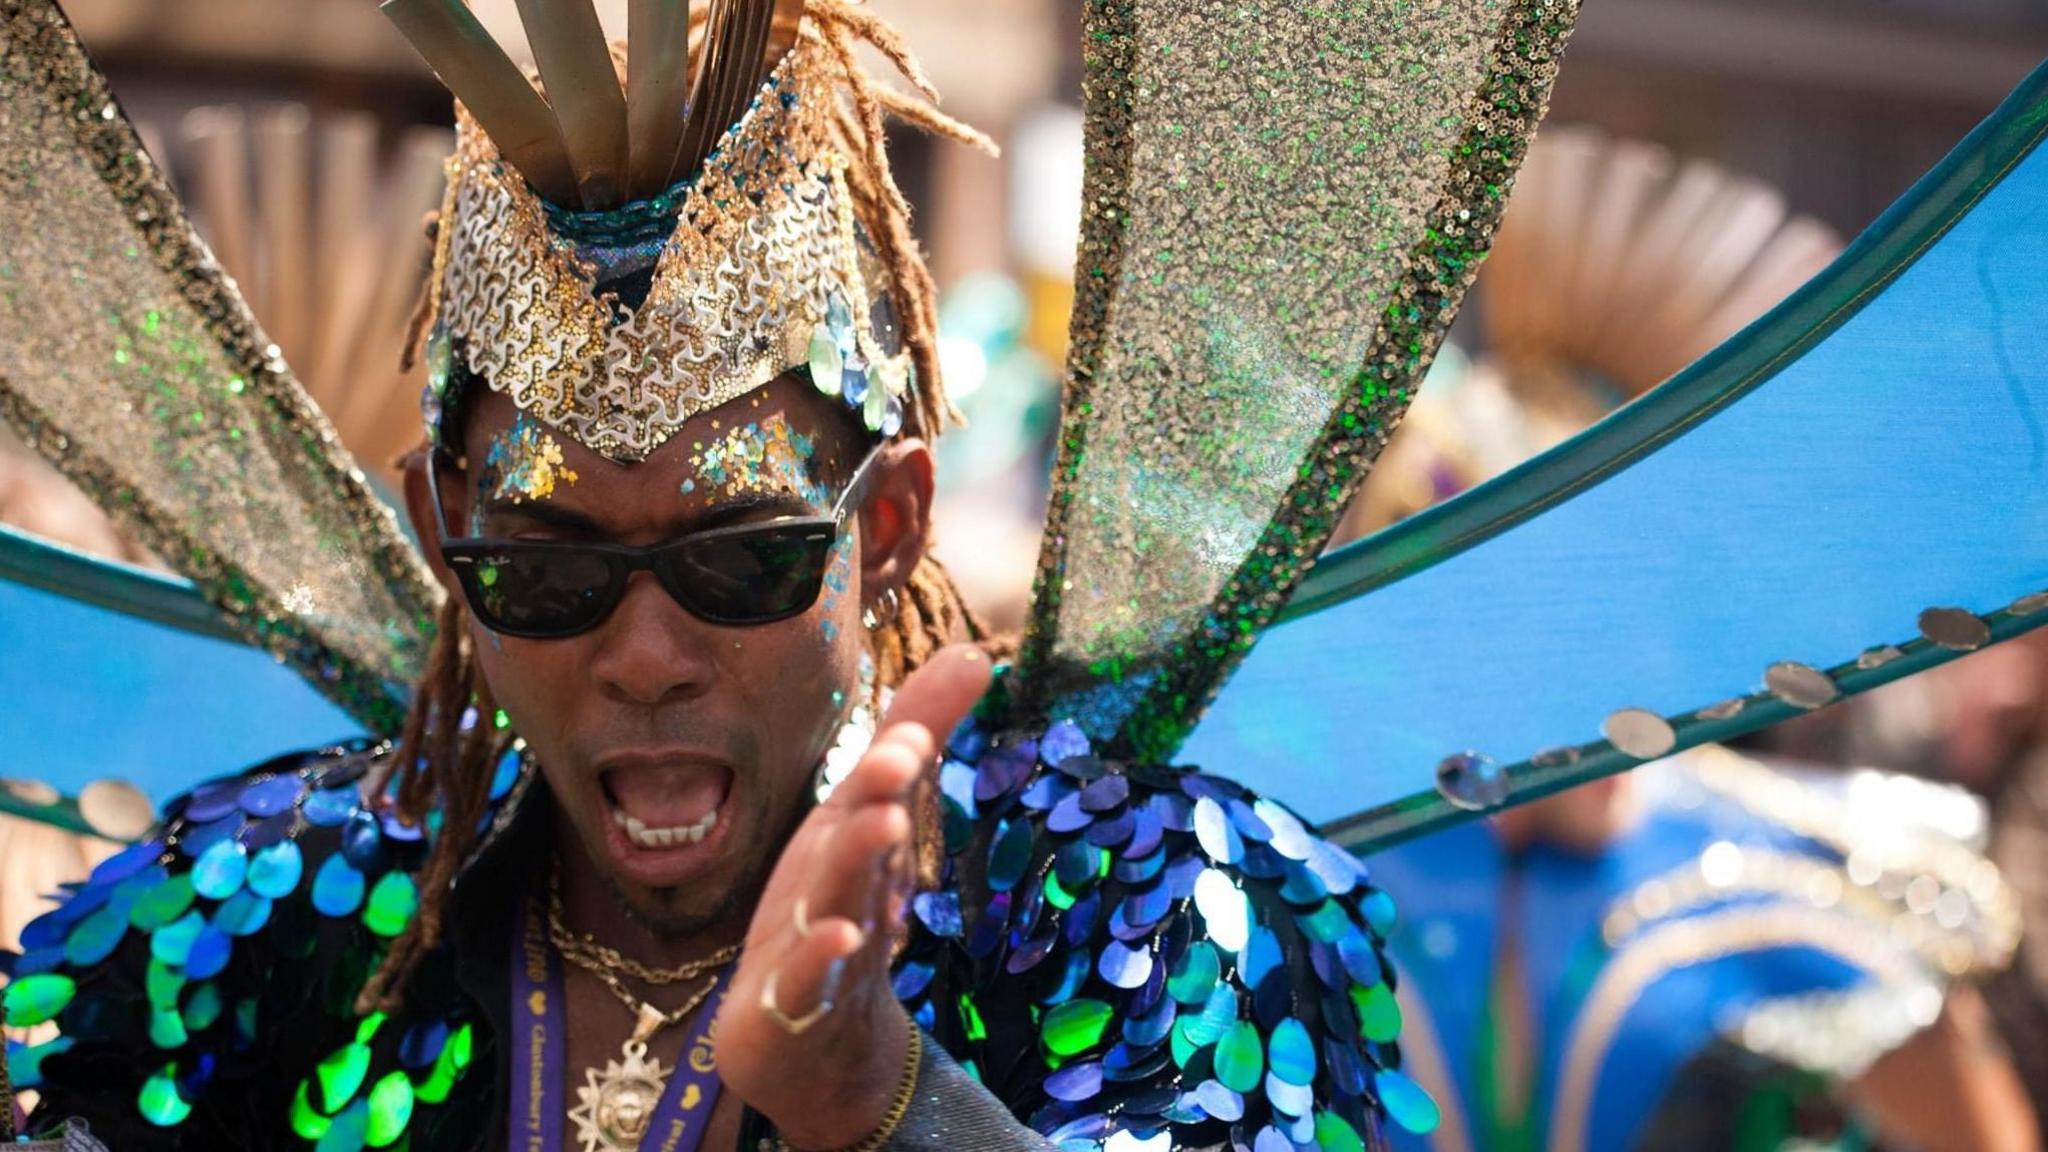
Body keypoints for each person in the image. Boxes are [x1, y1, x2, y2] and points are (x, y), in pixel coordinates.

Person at [4, 0, 1519, 1147]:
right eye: (547, 571)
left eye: (741, 561)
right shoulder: (270, 920)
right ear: (436, 539)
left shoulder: (1134, 914)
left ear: (886, 528)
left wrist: (887, 1098)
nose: (648, 652)